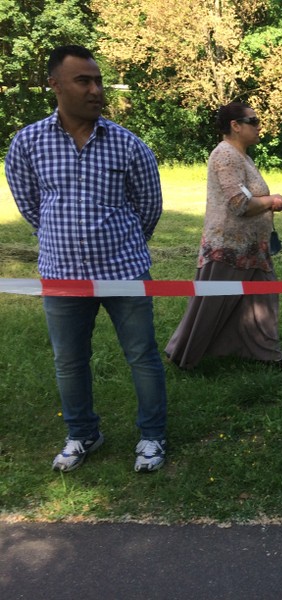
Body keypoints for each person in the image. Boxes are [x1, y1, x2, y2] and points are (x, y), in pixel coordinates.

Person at [4, 45, 168, 473]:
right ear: (55, 85)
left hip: (124, 272)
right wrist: (60, 239)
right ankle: (82, 433)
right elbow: (30, 204)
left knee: (142, 356)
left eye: (98, 81)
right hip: (62, 277)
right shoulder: (28, 143)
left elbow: (149, 206)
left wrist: (121, 244)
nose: (96, 90)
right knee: (69, 360)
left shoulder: (128, 144)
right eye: (84, 81)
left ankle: (152, 436)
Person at [164, 102, 282, 375]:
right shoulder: (225, 155)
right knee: (211, 306)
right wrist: (271, 200)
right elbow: (239, 203)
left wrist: (267, 205)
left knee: (263, 301)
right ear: (235, 126)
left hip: (252, 248)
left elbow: (248, 198)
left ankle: (267, 355)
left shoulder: (242, 156)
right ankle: (182, 355)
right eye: (253, 121)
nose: (259, 126)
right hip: (229, 249)